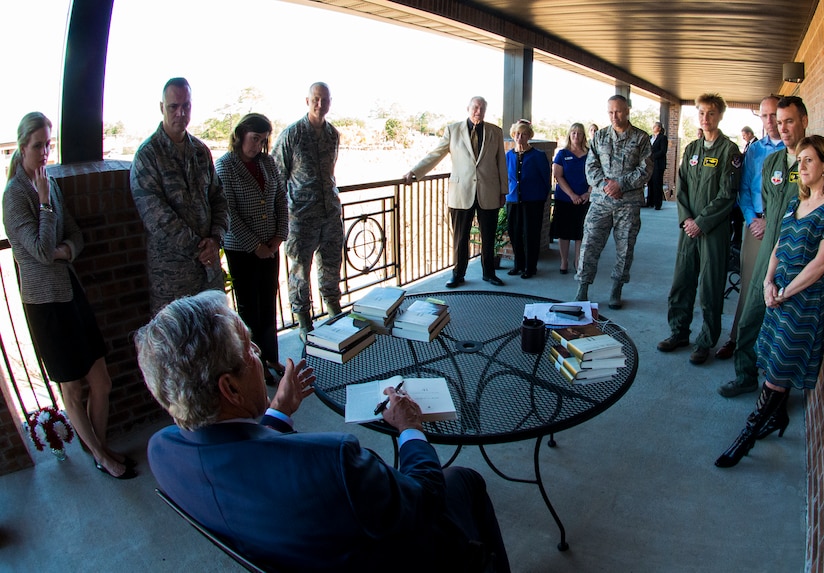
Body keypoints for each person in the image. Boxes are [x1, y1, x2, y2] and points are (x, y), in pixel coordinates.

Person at [138, 291, 511, 572]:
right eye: (250, 350)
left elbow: (241, 458)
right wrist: (411, 428)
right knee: (465, 480)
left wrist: (278, 411)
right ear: (230, 389)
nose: (258, 354)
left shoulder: (162, 452)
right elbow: (424, 501)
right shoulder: (332, 461)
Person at [3, 112, 136, 479]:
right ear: (21, 146)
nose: (45, 152)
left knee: (101, 381)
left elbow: (75, 235)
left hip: (71, 292)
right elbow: (42, 250)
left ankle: (100, 447)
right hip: (45, 304)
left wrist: (66, 249)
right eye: (37, 145)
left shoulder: (49, 182)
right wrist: (45, 205)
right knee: (72, 387)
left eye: (49, 144)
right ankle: (101, 454)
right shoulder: (15, 196)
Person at [715, 135, 824, 468]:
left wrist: (785, 292)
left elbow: (822, 263)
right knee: (773, 360)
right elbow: (778, 244)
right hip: (778, 293)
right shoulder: (798, 201)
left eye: (808, 161)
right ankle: (777, 418)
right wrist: (767, 282)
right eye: (799, 160)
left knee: (778, 371)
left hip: (805, 300)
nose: (801, 166)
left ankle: (746, 437)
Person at [717, 96, 810, 397]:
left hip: (798, 249)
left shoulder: (814, 159)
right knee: (753, 308)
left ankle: (777, 387)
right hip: (767, 241)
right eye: (777, 121)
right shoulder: (770, 160)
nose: (780, 127)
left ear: (804, 121)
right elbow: (763, 200)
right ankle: (745, 375)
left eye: (787, 121)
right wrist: (760, 221)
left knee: (786, 317)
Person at [130, 77, 229, 315]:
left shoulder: (201, 151)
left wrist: (215, 239)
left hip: (209, 273)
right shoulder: (148, 156)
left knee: (216, 340)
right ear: (162, 107)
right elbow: (157, 217)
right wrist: (200, 248)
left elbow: (219, 198)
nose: (180, 113)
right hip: (173, 277)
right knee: (178, 346)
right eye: (174, 107)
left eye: (186, 106)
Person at [657, 93, 741, 365]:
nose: (706, 118)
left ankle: (706, 341)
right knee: (682, 280)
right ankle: (679, 332)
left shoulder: (730, 151)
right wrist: (687, 220)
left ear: (720, 116)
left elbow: (727, 195)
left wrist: (701, 222)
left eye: (712, 113)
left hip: (712, 230)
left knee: (710, 285)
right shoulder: (691, 150)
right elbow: (681, 188)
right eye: (702, 113)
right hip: (688, 228)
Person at [404, 96, 508, 288]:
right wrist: (415, 172)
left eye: (482, 108)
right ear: (468, 108)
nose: (479, 111)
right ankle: (458, 274)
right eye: (475, 107)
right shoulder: (453, 130)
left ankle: (489, 273)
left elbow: (501, 162)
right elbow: (436, 154)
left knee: (488, 235)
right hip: (461, 192)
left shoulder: (495, 131)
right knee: (461, 237)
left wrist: (503, 191)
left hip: (489, 192)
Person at [215, 113, 287, 384]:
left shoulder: (267, 163)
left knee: (268, 304)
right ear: (240, 134)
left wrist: (278, 238)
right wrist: (255, 246)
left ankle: (271, 358)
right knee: (248, 309)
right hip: (242, 251)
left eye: (263, 140)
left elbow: (281, 198)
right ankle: (253, 365)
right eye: (254, 138)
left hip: (270, 246)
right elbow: (229, 212)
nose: (258, 145)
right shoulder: (225, 166)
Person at [714, 96, 784, 362]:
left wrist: (772, 221)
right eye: (765, 116)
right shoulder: (755, 150)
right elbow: (743, 189)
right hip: (754, 224)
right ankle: (737, 338)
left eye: (774, 115)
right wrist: (752, 218)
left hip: (781, 226)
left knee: (777, 285)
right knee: (750, 284)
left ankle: (767, 346)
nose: (770, 121)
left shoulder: (796, 150)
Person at [272, 82, 343, 336]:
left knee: (332, 264)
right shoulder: (292, 135)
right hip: (301, 217)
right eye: (315, 99)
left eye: (324, 99)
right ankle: (303, 321)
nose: (320, 104)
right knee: (300, 270)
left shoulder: (333, 134)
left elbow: (330, 172)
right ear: (307, 101)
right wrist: (281, 216)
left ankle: (334, 308)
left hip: (330, 214)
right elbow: (277, 176)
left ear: (330, 102)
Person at [575, 95, 652, 310]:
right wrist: (606, 185)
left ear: (627, 111)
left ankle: (617, 286)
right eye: (610, 112)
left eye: (618, 111)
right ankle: (583, 286)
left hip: (628, 203)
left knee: (625, 247)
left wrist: (621, 184)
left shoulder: (641, 138)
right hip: (601, 201)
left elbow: (645, 169)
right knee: (590, 242)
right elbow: (591, 167)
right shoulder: (599, 137)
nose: (614, 116)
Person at [504, 120, 550, 279]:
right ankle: (518, 265)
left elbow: (545, 179)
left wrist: (541, 198)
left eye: (523, 134)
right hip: (513, 200)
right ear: (513, 135)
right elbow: (504, 178)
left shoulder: (538, 155)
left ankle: (530, 267)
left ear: (529, 136)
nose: (520, 137)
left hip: (533, 201)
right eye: (517, 134)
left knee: (531, 234)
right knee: (514, 233)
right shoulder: (508, 156)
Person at [551, 123, 590, 274]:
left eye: (579, 133)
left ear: (583, 136)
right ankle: (564, 261)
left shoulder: (590, 154)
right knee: (564, 232)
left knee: (580, 233)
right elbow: (558, 176)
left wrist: (588, 193)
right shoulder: (562, 154)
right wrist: (572, 195)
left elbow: (595, 176)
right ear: (569, 135)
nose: (576, 136)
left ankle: (577, 262)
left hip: (584, 199)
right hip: (565, 199)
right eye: (573, 133)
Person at [647, 121, 668, 209]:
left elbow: (663, 151)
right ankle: (649, 202)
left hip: (658, 163)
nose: (653, 127)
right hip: (650, 163)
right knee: (650, 182)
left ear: (659, 128)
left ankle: (657, 203)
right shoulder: (650, 137)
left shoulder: (662, 138)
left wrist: (653, 156)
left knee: (657, 182)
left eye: (655, 126)